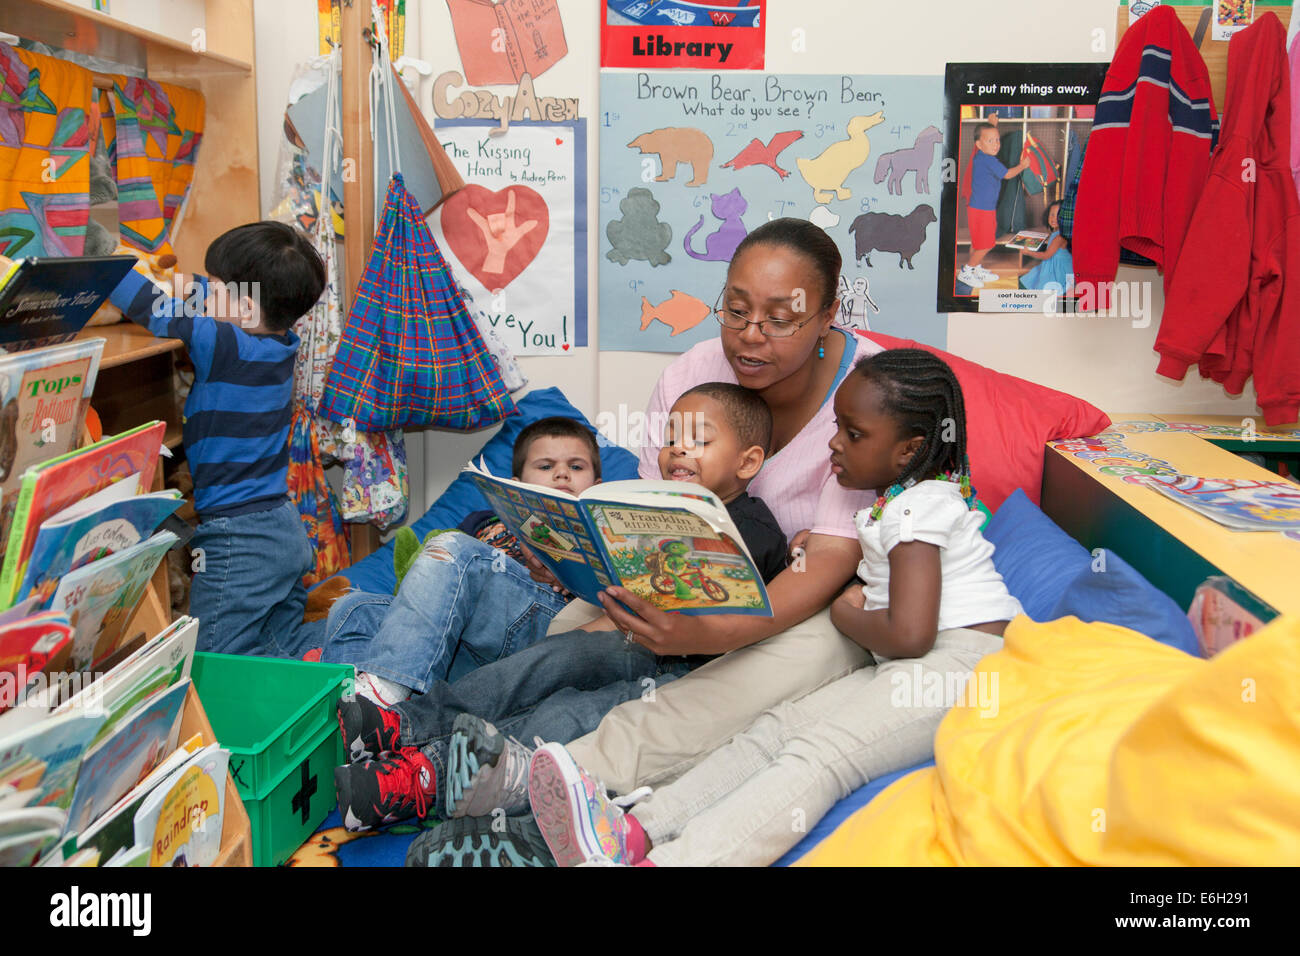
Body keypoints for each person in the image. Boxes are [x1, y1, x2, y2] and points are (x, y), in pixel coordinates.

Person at [527, 349, 1022, 866]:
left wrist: (846, 612)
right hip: (916, 662)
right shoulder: (901, 501)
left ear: (909, 450)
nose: (833, 442)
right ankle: (633, 832)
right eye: (837, 427)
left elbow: (912, 633)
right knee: (778, 730)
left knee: (820, 756)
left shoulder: (918, 508)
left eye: (853, 434)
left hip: (959, 666)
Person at [333, 383, 789, 840]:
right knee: (545, 664)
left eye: (699, 441)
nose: (678, 452)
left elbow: (732, 612)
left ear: (747, 462)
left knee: (567, 713)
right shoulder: (644, 504)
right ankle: (403, 724)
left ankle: (419, 778)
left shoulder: (752, 529)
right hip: (628, 637)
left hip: (684, 673)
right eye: (671, 439)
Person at [107, 221, 326, 656]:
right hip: (280, 526)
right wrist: (197, 284)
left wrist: (100, 263)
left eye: (217, 286)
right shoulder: (278, 342)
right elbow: (205, 295)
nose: (207, 292)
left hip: (236, 539)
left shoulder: (224, 343)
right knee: (284, 643)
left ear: (243, 305)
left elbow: (155, 311)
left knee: (212, 656)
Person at [322, 416, 602, 705]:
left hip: (546, 624)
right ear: (514, 484)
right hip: (468, 640)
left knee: (453, 550)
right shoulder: (482, 522)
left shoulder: (599, 534)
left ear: (597, 484)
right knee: (354, 607)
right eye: (545, 466)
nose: (562, 475)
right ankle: (350, 722)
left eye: (576, 466)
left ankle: (383, 702)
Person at [958, 121, 1029, 289]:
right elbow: (1008, 174)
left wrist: (991, 124)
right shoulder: (989, 161)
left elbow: (984, 137)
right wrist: (1023, 165)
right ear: (979, 145)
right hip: (983, 210)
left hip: (977, 208)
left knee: (977, 242)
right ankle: (967, 271)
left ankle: (976, 269)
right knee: (987, 243)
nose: (996, 144)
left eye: (997, 140)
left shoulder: (981, 156)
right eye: (990, 141)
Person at [1018, 200, 1074, 294]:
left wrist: (1028, 252)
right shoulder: (1057, 232)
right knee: (1031, 277)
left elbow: (1046, 255)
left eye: (1058, 216)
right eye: (1051, 214)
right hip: (1053, 263)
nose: (1054, 218)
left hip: (1058, 269)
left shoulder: (1059, 237)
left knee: (1038, 284)